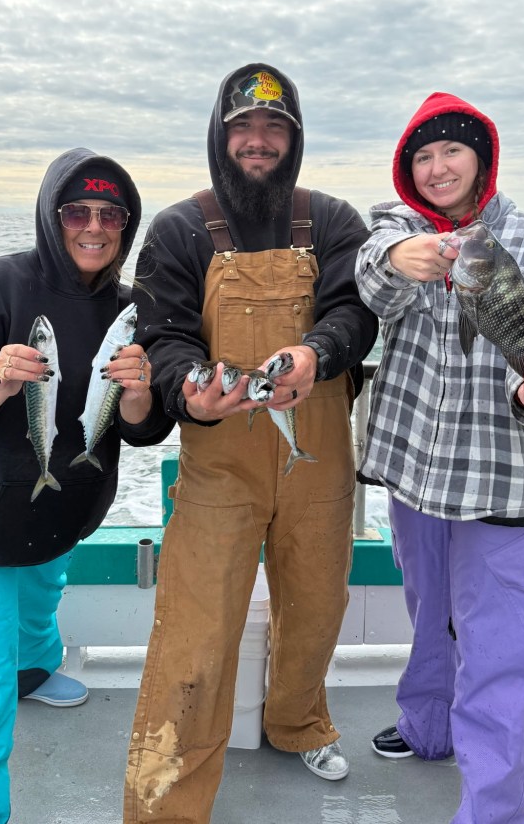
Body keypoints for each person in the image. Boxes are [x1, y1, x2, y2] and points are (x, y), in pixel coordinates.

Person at [123, 64, 378, 823]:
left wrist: (316, 355)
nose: (258, 142)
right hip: (219, 464)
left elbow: (354, 313)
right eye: (244, 130)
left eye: (275, 130)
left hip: (320, 454)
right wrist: (186, 395)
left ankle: (296, 721)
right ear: (220, 136)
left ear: (293, 140)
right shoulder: (178, 229)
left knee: (316, 606)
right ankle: (166, 804)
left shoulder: (332, 221)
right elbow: (162, 336)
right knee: (195, 633)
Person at [0, 147, 173, 824]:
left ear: (126, 224)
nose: (94, 226)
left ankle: (35, 670)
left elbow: (142, 430)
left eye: (111, 213)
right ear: (50, 217)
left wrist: (140, 397)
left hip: (57, 513)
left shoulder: (130, 307)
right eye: (76, 211)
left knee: (41, 593)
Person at [355, 91, 524, 823]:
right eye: (421, 156)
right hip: (417, 473)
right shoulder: (399, 230)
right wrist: (401, 255)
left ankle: (495, 811)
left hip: (507, 482)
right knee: (428, 613)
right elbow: (370, 282)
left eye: (451, 150)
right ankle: (429, 729)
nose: (437, 166)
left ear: (480, 156)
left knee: (496, 651)